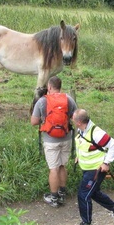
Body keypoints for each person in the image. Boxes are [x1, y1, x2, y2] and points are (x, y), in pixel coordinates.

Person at [71, 109, 114, 225]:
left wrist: (106, 163)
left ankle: (87, 223)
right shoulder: (82, 130)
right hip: (87, 168)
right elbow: (84, 145)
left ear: (79, 122)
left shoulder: (97, 133)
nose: (72, 121)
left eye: (73, 119)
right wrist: (79, 156)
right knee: (93, 193)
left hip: (96, 170)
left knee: (83, 194)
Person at [30, 76, 77, 208]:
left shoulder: (42, 101)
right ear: (60, 87)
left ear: (49, 87)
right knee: (62, 165)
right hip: (66, 138)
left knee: (53, 169)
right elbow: (75, 118)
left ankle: (54, 197)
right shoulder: (68, 99)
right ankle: (62, 192)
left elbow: (33, 122)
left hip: (50, 140)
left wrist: (45, 119)